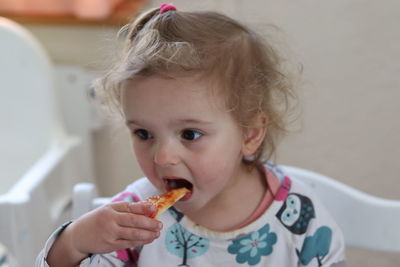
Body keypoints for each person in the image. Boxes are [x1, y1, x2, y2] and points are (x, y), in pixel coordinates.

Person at [36, 3, 345, 267]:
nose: (162, 156)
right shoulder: (134, 218)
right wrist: (75, 242)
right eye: (143, 133)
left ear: (249, 134)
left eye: (190, 134)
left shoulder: (298, 214)